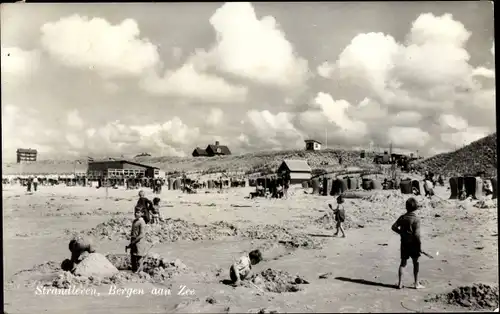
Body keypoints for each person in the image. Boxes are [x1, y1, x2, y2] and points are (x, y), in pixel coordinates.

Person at [391, 197, 424, 289]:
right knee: (416, 263)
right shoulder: (416, 219)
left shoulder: (403, 217)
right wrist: (419, 246)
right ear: (416, 208)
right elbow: (417, 235)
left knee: (403, 263)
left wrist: (402, 233)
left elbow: (393, 227)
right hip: (413, 244)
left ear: (406, 207)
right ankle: (416, 283)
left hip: (404, 243)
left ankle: (400, 283)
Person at [126, 207, 146, 272]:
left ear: (142, 213)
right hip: (133, 242)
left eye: (138, 212)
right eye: (135, 212)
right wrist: (131, 242)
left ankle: (140, 272)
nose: (136, 214)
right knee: (133, 258)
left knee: (139, 258)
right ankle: (134, 272)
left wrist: (134, 241)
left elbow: (141, 234)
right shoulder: (135, 221)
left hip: (139, 243)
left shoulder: (142, 222)